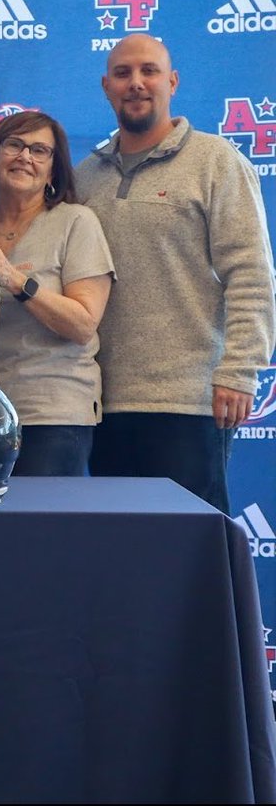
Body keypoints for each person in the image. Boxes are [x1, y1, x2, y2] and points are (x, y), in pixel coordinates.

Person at [75, 34, 276, 512]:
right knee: (120, 544)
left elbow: (251, 274)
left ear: (173, 82)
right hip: (102, 404)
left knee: (187, 545)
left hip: (190, 401)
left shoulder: (216, 162)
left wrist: (239, 370)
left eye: (149, 71)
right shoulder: (84, 178)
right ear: (106, 86)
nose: (136, 83)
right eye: (123, 73)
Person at [0, 111, 114, 475]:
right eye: (14, 145)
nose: (25, 156)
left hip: (53, 414)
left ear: (53, 171)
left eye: (39, 150)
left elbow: (83, 325)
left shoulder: (75, 222)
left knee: (43, 515)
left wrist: (13, 278)